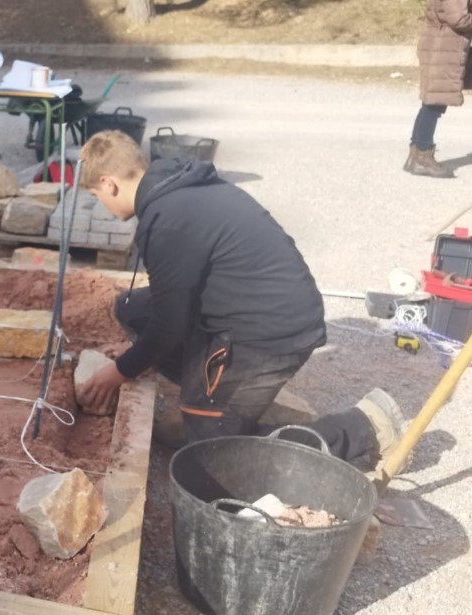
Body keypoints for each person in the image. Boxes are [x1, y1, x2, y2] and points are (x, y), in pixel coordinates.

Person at [75, 131, 404, 472]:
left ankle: (361, 427)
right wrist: (137, 353)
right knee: (132, 310)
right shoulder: (176, 189)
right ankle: (209, 406)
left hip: (270, 334)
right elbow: (167, 305)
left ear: (109, 183)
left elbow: (169, 324)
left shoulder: (167, 222)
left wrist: (120, 371)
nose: (102, 205)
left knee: (211, 459)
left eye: (96, 195)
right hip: (253, 308)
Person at [407, 0, 472, 178]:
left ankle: (415, 154)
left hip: (441, 46)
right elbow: (459, 19)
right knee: (434, 104)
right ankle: (422, 155)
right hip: (444, 49)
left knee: (431, 102)